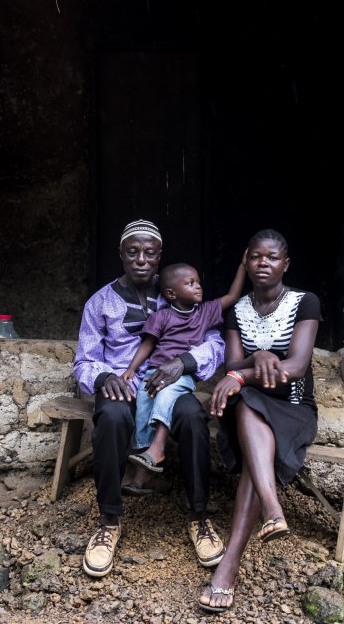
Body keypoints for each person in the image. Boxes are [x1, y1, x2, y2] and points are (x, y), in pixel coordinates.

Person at [74, 219, 227, 577]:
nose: (141, 259)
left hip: (171, 383)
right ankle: (109, 520)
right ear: (121, 255)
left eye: (150, 253)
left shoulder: (179, 291)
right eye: (133, 252)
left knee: (192, 417)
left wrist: (185, 361)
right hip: (122, 383)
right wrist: (105, 377)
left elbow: (216, 343)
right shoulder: (101, 302)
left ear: (159, 258)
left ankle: (199, 516)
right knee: (112, 418)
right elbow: (84, 359)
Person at [197, 229, 322, 613]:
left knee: (250, 411)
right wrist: (259, 359)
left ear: (285, 264)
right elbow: (233, 362)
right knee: (250, 405)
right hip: (249, 409)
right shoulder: (238, 310)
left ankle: (229, 564)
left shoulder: (305, 302)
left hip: (293, 409)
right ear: (246, 262)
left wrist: (244, 373)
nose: (262, 263)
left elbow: (297, 367)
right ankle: (271, 509)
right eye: (255, 257)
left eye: (271, 257)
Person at [120, 259, 246, 490]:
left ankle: (157, 449)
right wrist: (131, 369)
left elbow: (233, 295)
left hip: (181, 375)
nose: (198, 286)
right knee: (143, 410)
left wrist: (242, 266)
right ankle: (139, 478)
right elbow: (147, 345)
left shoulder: (206, 312)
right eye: (190, 283)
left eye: (198, 282)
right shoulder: (161, 316)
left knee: (166, 397)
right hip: (153, 372)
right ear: (171, 293)